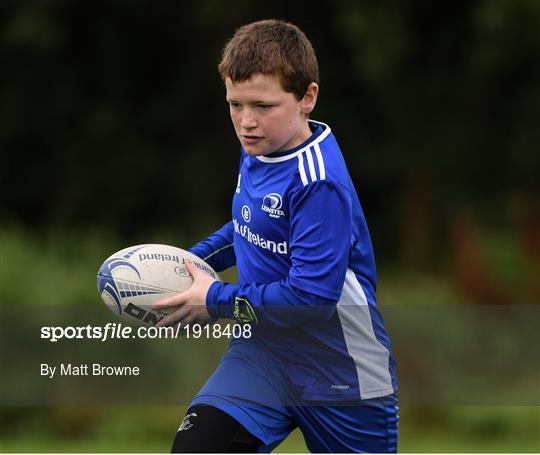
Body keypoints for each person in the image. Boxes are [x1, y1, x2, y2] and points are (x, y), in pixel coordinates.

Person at [153, 19, 399, 453]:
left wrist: (214, 300)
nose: (246, 122)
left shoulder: (317, 183)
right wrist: (186, 264)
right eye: (235, 104)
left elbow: (311, 300)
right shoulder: (263, 148)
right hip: (261, 356)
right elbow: (250, 226)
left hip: (339, 373)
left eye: (263, 106)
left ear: (308, 97)